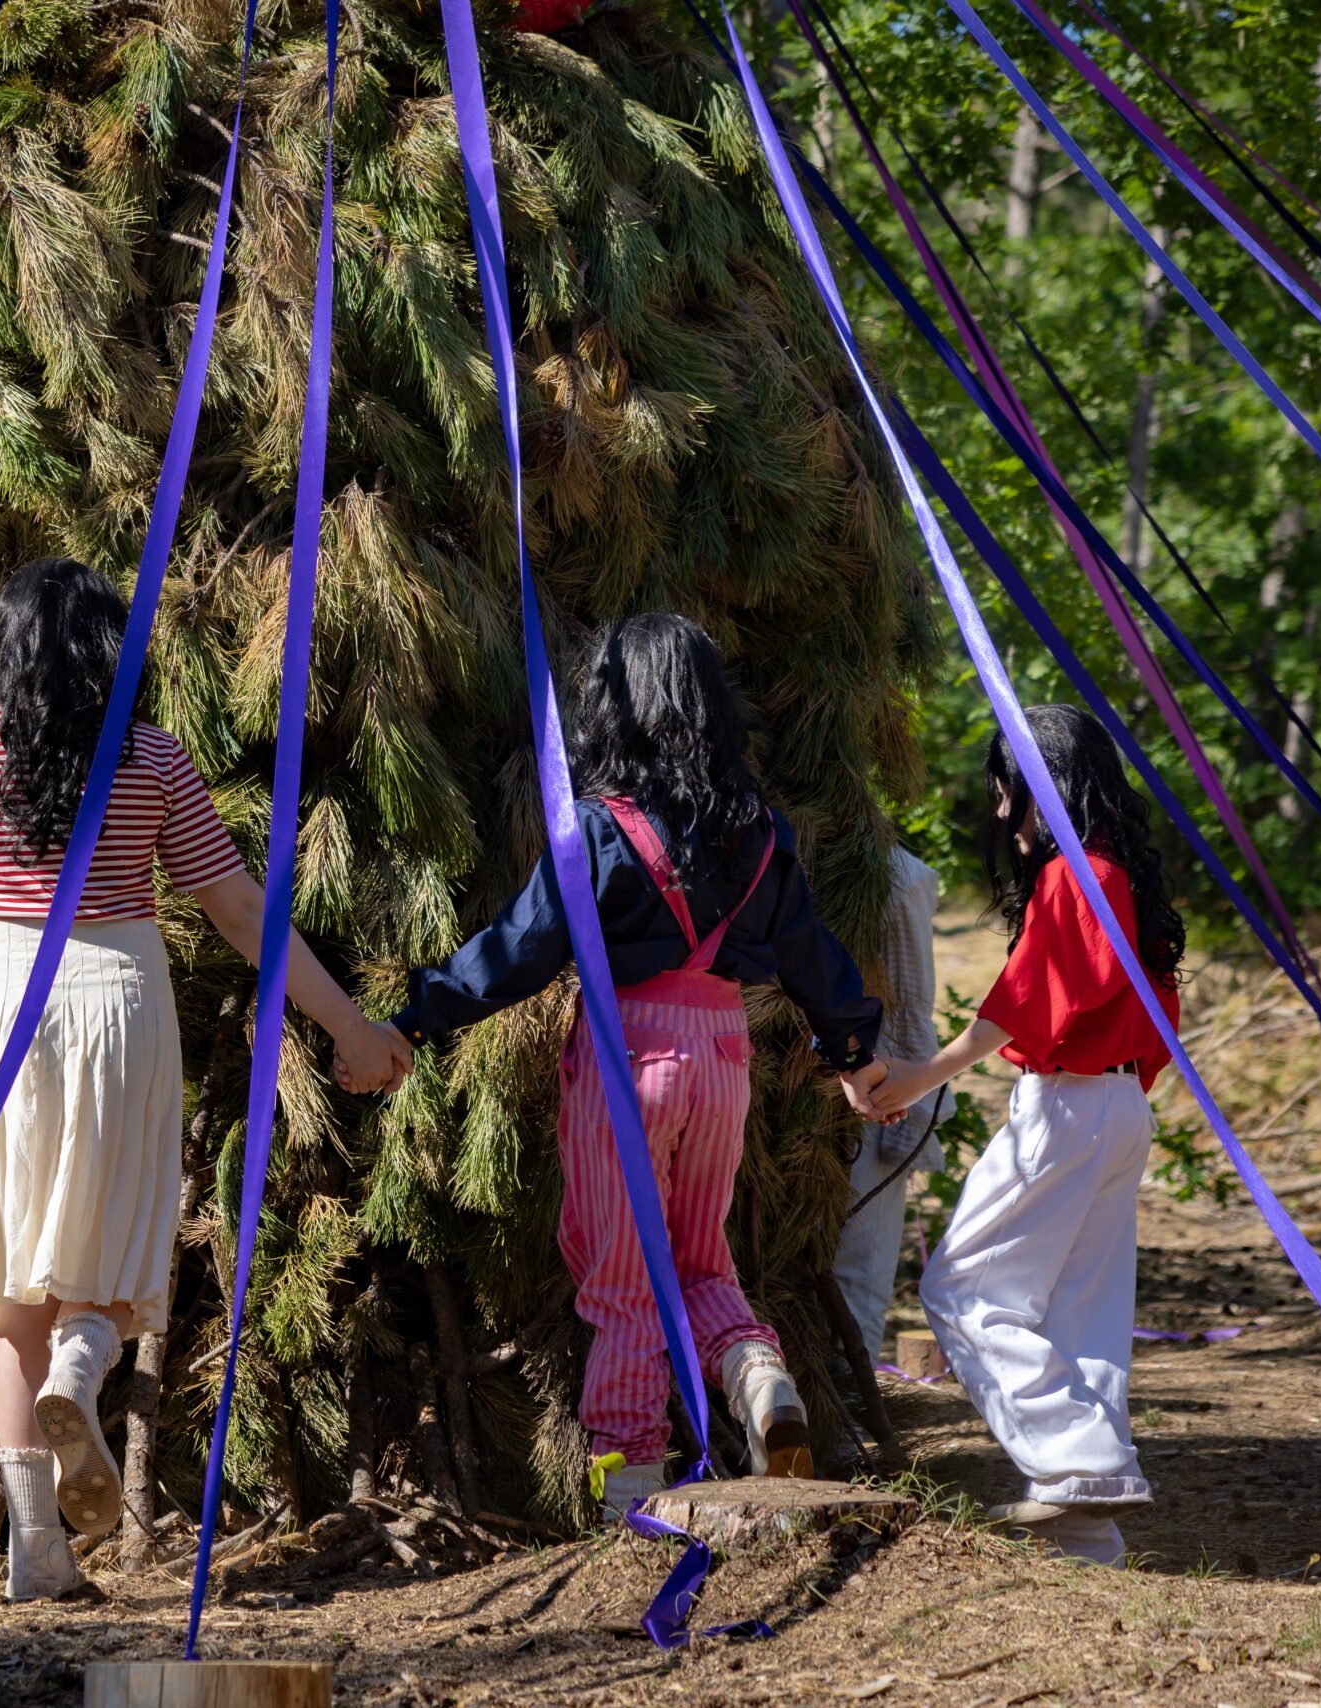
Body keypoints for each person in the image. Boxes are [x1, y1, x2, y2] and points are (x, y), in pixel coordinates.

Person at [0, 558, 410, 1602]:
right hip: (115, 989)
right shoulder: (152, 758)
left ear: (7, 649)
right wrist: (352, 1026)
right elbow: (239, 912)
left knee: (17, 1275)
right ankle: (85, 1359)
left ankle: (37, 1549)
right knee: (112, 1224)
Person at [378, 614, 888, 1516]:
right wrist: (852, 1051)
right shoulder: (758, 832)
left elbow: (518, 951)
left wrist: (414, 1019)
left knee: (620, 1279)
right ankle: (757, 1370)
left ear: (614, 707)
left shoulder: (597, 832)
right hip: (723, 1053)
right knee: (700, 1259)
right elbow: (814, 955)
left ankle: (631, 1486)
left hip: (627, 1057)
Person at [865, 706, 1183, 1569]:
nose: (1002, 811)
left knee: (964, 1286)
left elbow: (1027, 1001)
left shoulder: (1077, 876)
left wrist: (921, 1075)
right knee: (1083, 1311)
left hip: (1071, 1106)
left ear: (1047, 787)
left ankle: (1081, 1463)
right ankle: (1090, 1537)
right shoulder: (1123, 876)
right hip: (1119, 1107)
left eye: (1008, 790)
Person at [830, 843, 956, 1359]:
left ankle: (848, 1397)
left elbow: (909, 1003)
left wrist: (907, 1098)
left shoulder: (896, 874)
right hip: (788, 1086)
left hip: (877, 1084)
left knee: (860, 1257)